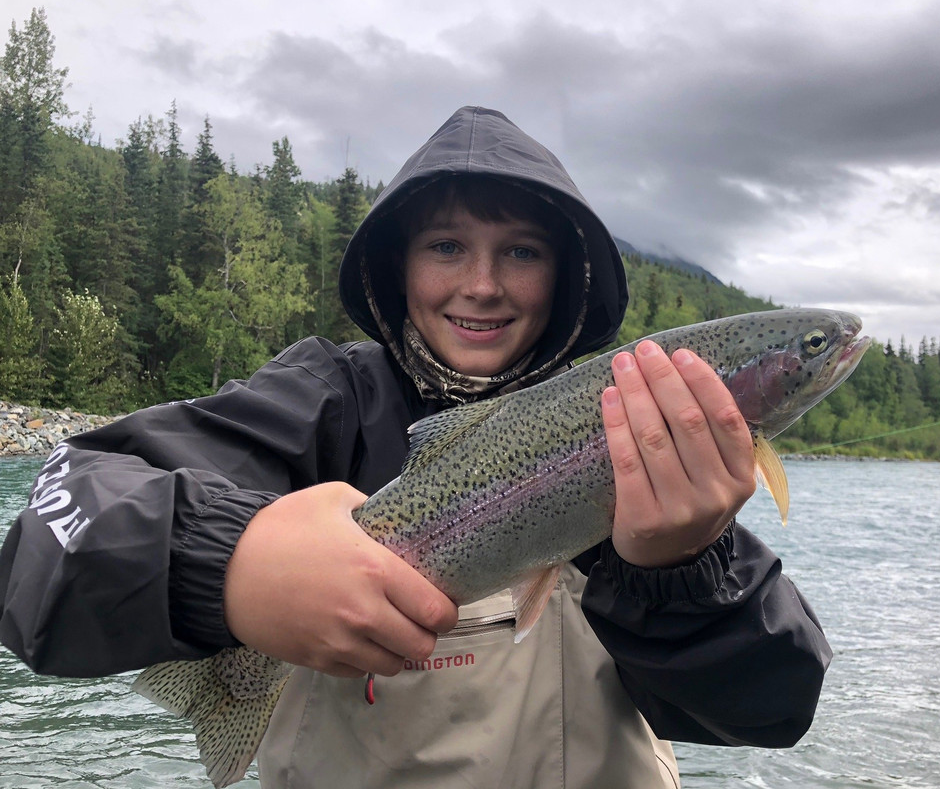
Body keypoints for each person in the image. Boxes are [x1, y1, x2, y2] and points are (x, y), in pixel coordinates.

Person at [0, 106, 831, 788]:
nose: (482, 283)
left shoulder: (633, 424)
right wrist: (229, 566)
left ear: (566, 275)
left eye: (522, 251)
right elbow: (52, 528)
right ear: (396, 267)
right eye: (446, 246)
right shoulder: (324, 405)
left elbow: (769, 710)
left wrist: (681, 567)